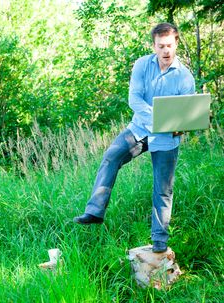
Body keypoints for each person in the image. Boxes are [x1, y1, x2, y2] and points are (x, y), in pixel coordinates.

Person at [73, 23, 195, 253]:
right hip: (139, 129)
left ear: (176, 43)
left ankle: (159, 241)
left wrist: (181, 126)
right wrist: (158, 118)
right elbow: (135, 100)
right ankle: (95, 212)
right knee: (111, 157)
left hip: (167, 138)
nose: (166, 51)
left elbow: (186, 114)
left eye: (169, 45)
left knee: (163, 189)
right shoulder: (141, 65)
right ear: (154, 46)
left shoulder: (185, 77)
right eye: (161, 46)